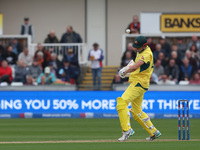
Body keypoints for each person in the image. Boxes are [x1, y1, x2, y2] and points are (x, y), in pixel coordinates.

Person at [117, 36, 161, 141]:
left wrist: (125, 71)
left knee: (121, 102)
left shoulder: (146, 53)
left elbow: (136, 66)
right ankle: (153, 132)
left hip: (139, 83)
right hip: (140, 83)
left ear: (144, 45)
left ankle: (127, 130)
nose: (135, 49)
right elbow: (136, 66)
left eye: (137, 47)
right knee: (136, 110)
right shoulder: (141, 51)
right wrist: (128, 68)